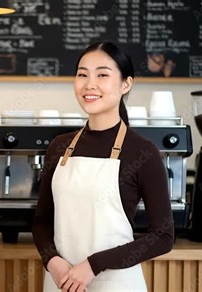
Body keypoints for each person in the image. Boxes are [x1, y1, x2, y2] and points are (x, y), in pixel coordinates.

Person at [32, 41, 174, 291]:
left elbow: (163, 237)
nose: (90, 84)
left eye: (102, 75)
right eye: (82, 75)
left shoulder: (142, 152)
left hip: (116, 284)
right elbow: (42, 221)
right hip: (60, 282)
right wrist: (53, 262)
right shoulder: (59, 146)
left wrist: (93, 265)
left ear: (126, 84)